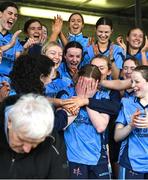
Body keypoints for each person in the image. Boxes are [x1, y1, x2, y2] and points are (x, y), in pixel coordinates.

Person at [0, 93, 70, 178]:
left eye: (35, 143)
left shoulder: (52, 143)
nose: (27, 149)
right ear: (10, 122)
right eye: (21, 140)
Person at [61, 64, 111, 179]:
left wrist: (87, 100)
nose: (85, 88)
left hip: (97, 158)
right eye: (83, 83)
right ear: (77, 79)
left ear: (97, 84)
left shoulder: (102, 97)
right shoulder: (66, 94)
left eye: (90, 84)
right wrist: (79, 98)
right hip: (73, 158)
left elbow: (100, 127)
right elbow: (63, 124)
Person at [114, 65, 148, 179]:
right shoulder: (127, 103)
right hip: (130, 163)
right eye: (132, 81)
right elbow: (117, 136)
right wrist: (131, 125)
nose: (133, 86)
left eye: (137, 82)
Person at [0, 1, 23, 77]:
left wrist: (26, 48)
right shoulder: (12, 42)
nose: (13, 17)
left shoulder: (15, 40)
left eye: (15, 15)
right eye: (10, 13)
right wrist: (9, 45)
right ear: (0, 14)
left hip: (7, 84)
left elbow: (20, 63)